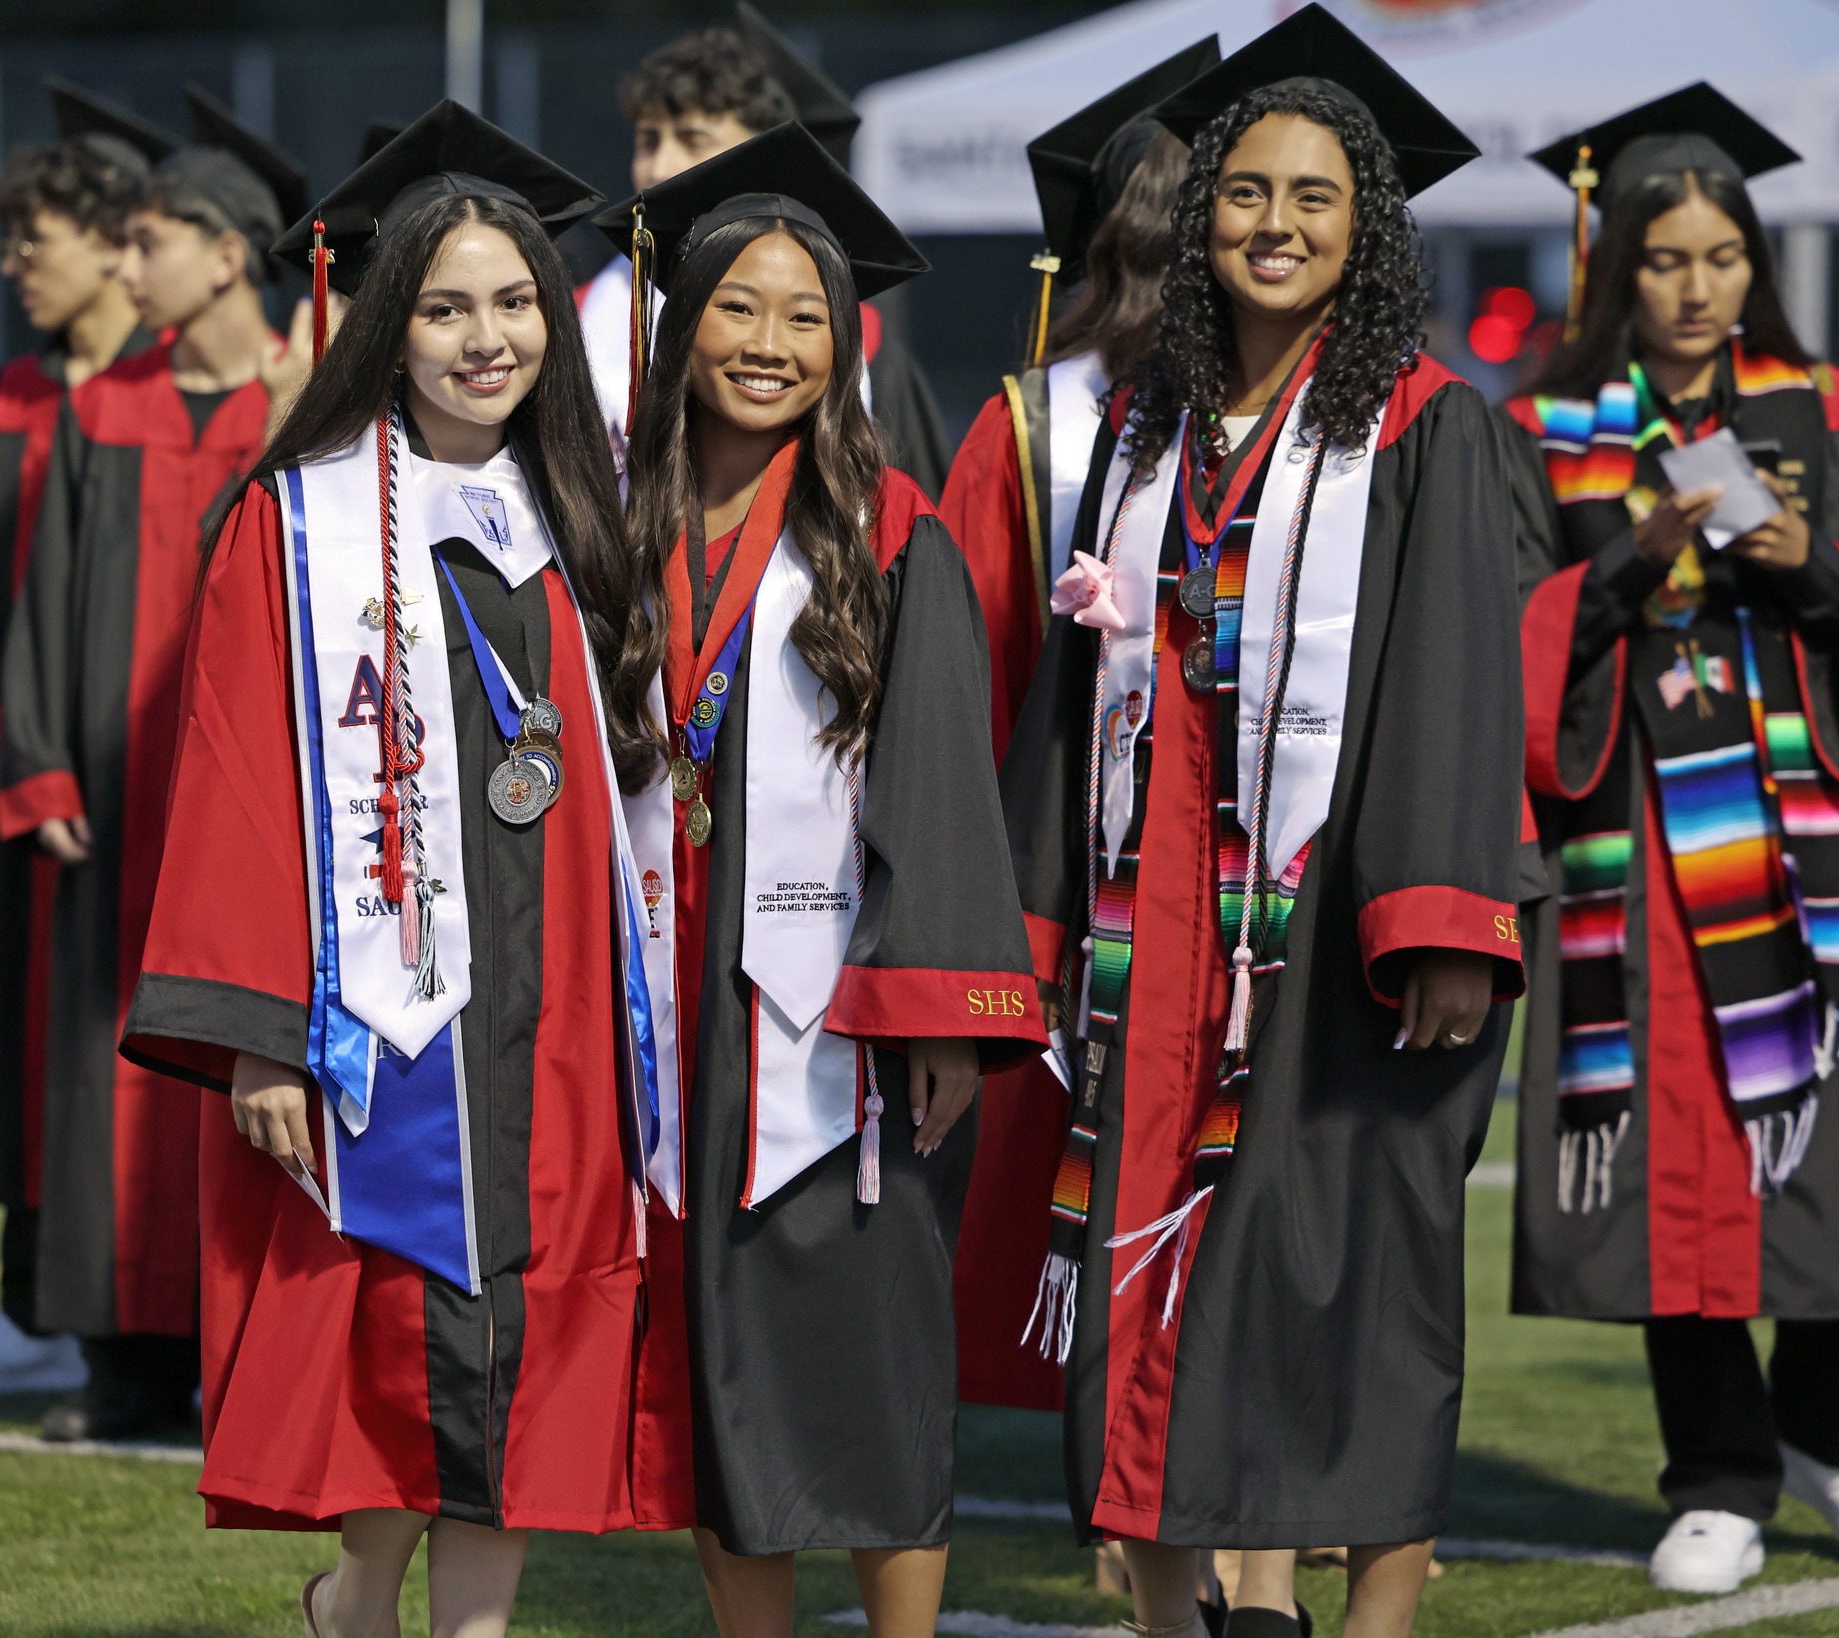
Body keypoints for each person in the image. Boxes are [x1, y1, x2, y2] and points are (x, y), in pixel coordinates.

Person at [999, 11, 1521, 1637]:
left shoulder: (1427, 424)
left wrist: (1437, 912)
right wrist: (1028, 918)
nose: (1270, 224)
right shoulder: (1139, 433)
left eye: (1309, 197)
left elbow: (1454, 675)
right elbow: (1072, 695)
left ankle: (1360, 1618)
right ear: (1197, 212)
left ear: (1363, 227)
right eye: (1240, 193)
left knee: (1346, 1274)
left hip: (1339, 930)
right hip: (1148, 936)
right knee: (1142, 1274)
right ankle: (1177, 1612)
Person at [120, 101, 664, 1636]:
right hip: (383, 1006)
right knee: (399, 1320)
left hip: (549, 1004)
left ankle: (466, 1626)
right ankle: (358, 1591)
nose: (485, 339)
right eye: (443, 307)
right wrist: (258, 1033)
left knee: (526, 1328)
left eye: (511, 303)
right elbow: (230, 784)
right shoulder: (294, 530)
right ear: (382, 322)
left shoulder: (573, 514)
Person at [1501, 83, 1839, 1597]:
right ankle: (1714, 1470)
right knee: (1668, 1157)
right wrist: (1629, 566)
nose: (1695, 286)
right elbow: (1503, 631)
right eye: (1661, 259)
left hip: (1800, 846)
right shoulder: (1545, 434)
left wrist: (1813, 562)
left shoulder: (1833, 414)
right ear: (1613, 267)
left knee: (1836, 1145)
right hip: (1634, 853)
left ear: (1752, 260)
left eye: (1720, 256)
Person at [597, 120, 1045, 1637]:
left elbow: (938, 779)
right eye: (738, 306)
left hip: (840, 1013)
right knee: (718, 1350)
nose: (771, 343)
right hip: (664, 998)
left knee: (873, 1347)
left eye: (807, 316)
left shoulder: (887, 532)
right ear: (680, 319)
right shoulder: (613, 529)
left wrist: (939, 1007)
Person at [0, 82, 314, 1443]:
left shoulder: (300, 410)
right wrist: (44, 767)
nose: (127, 271)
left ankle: (235, 1355)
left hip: (246, 806)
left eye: (149, 243)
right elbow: (44, 598)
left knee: (236, 1056)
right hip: (113, 805)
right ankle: (122, 1368)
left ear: (226, 251)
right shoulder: (102, 409)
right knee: (100, 1072)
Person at [937, 37, 1209, 1430]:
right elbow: (975, 671)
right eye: (1155, 254)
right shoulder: (1033, 429)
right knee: (1081, 1172)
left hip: (1233, 867)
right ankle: (1119, 1464)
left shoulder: (1323, 427)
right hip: (1074, 866)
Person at [0, 82, 164, 1359]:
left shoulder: (166, 393)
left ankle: (116, 1319)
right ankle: (35, 1297)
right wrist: (1, 743)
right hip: (29, 773)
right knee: (25, 1042)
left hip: (127, 762)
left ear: (111, 241)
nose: (14, 265)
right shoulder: (13, 395)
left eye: (35, 239)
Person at [578, 1, 952, 496]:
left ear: (762, 149)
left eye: (693, 139)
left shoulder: (861, 343)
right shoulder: (579, 315)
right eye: (648, 141)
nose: (657, 168)